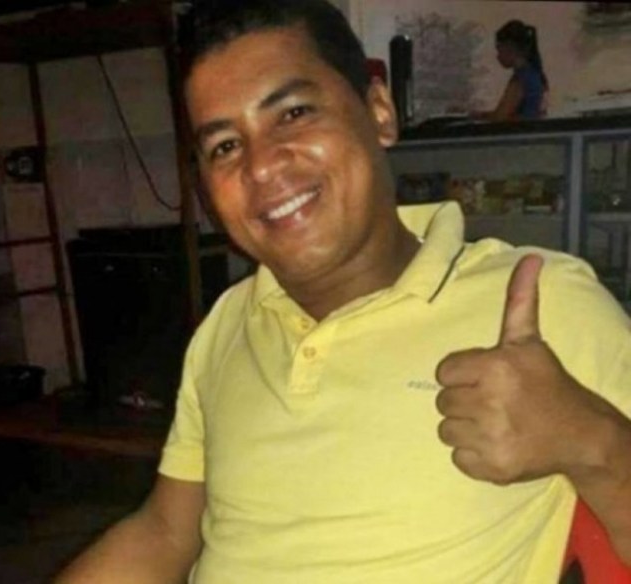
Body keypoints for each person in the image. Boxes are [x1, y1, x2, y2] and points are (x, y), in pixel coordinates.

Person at [55, 1, 630, 582]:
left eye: (293, 113)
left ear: (379, 112)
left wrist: (594, 444)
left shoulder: (542, 304)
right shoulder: (229, 321)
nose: (261, 167)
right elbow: (166, 531)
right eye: (225, 145)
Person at [472, 19, 549, 121]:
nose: (498, 56)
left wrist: (479, 117)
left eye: (499, 50)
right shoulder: (535, 75)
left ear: (510, 48)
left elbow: (500, 117)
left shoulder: (520, 80)